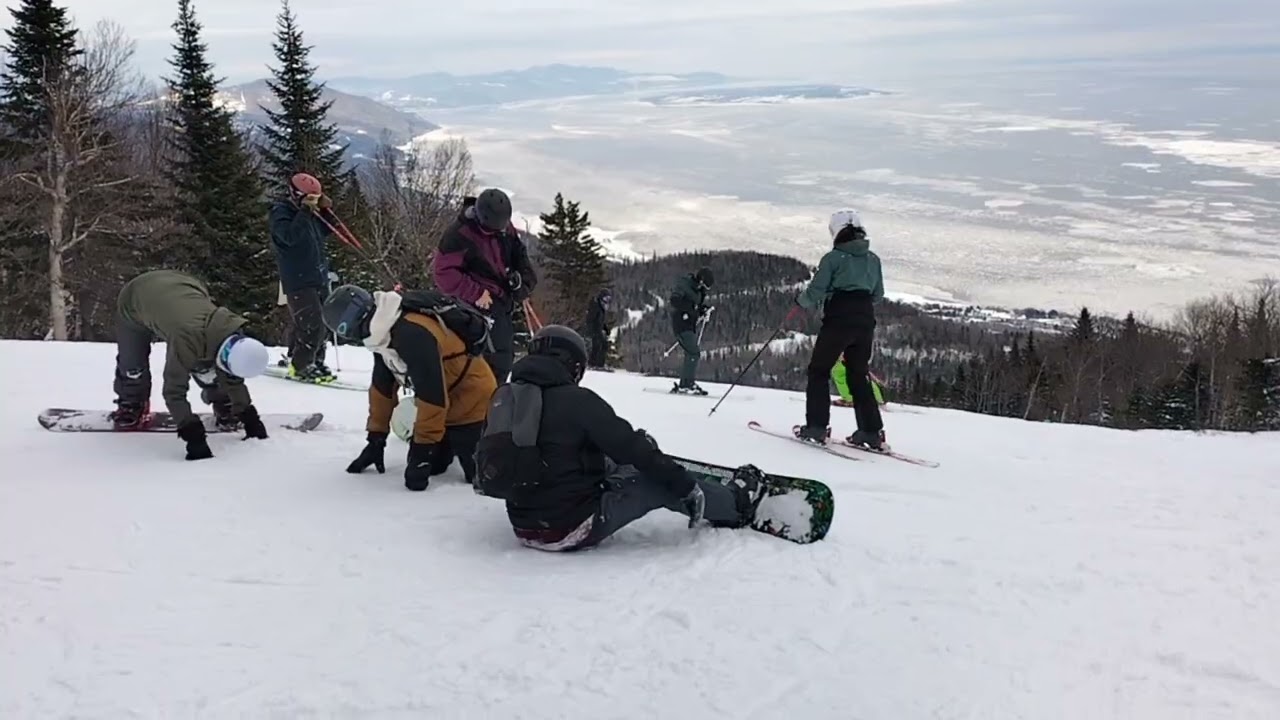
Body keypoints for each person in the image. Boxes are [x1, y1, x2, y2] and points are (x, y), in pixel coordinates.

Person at [475, 325, 766, 551]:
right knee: (656, 480)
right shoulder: (578, 400)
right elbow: (632, 448)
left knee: (613, 462)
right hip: (568, 528)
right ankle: (737, 504)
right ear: (572, 364)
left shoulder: (503, 398)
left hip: (524, 526)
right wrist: (681, 482)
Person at [323, 284, 498, 491]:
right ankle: (448, 444)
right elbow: (382, 388)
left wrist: (421, 452)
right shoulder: (381, 334)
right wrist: (376, 439)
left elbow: (432, 396)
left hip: (473, 401)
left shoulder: (411, 333)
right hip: (444, 406)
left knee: (481, 476)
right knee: (435, 465)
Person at [108, 269, 271, 460]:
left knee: (207, 367)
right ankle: (132, 402)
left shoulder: (231, 331)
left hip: (187, 286)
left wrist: (248, 415)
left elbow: (233, 376)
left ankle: (223, 401)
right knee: (133, 365)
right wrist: (191, 432)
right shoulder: (187, 338)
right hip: (135, 298)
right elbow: (174, 391)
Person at [790, 209, 886, 449]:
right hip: (865, 320)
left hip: (839, 319)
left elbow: (816, 290)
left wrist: (800, 302)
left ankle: (816, 427)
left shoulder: (833, 258)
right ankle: (871, 432)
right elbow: (878, 295)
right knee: (858, 373)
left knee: (819, 370)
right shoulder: (873, 259)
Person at [432, 188, 537, 384]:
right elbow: (443, 272)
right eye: (492, 228)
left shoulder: (504, 227)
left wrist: (523, 281)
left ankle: (492, 394)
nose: (498, 231)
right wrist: (476, 293)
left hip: (503, 297)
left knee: (502, 357)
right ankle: (483, 395)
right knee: (493, 356)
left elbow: (519, 254)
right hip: (476, 300)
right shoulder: (460, 235)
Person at [269, 172, 337, 383]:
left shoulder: (308, 214)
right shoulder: (282, 213)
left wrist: (326, 211)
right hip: (298, 278)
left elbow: (326, 231)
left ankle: (315, 359)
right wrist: (305, 212)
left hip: (317, 274)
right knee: (311, 322)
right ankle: (301, 364)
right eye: (310, 198)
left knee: (325, 320)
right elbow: (289, 237)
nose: (313, 202)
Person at [667, 266, 714, 395]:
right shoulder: (685, 284)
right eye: (705, 285)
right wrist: (691, 308)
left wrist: (702, 310)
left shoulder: (699, 291)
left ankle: (686, 383)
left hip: (689, 324)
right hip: (681, 323)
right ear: (701, 280)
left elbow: (696, 307)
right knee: (693, 352)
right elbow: (675, 300)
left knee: (691, 353)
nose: (705, 288)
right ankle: (686, 384)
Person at [584, 287, 614, 369]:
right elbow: (590, 320)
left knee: (604, 344)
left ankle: (600, 364)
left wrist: (605, 328)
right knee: (597, 346)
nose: (607, 301)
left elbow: (600, 321)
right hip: (593, 331)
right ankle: (592, 363)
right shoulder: (595, 307)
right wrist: (592, 331)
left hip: (598, 330)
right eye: (605, 298)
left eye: (608, 299)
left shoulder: (601, 308)